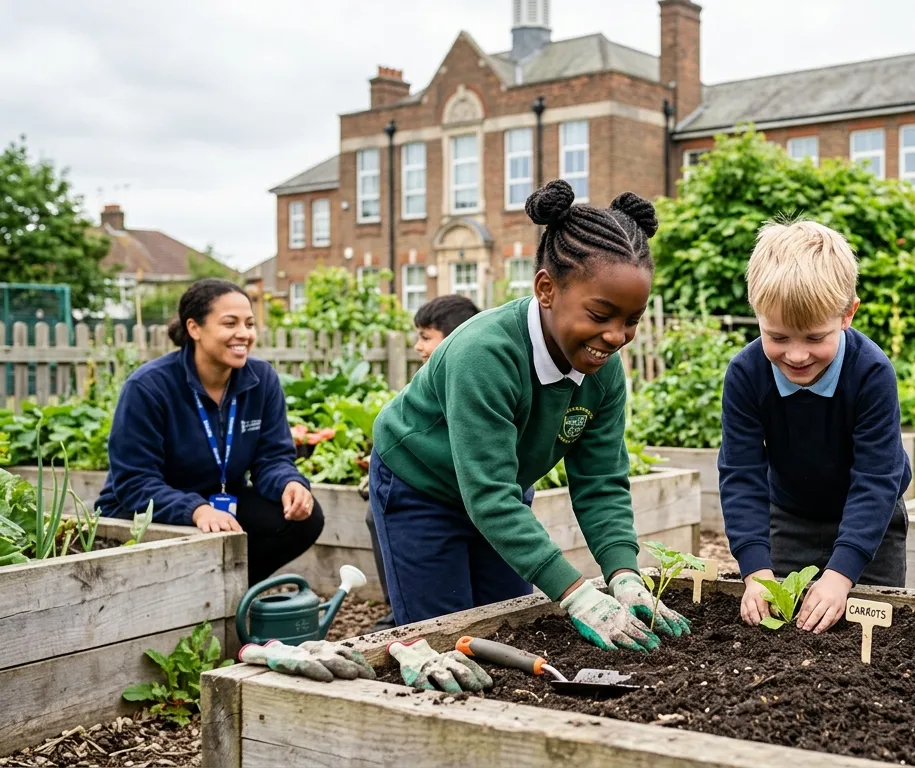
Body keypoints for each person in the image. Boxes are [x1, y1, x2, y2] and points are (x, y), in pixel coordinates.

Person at [366, 179, 689, 651]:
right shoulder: (484, 354)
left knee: (511, 631)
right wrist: (577, 594)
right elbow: (489, 493)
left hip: (501, 496)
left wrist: (623, 575)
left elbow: (601, 480)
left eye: (631, 320)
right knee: (441, 638)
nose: (617, 336)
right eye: (601, 315)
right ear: (545, 289)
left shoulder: (603, 370)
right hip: (421, 487)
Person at [718, 219, 911, 635]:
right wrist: (756, 571)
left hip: (872, 522)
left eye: (814, 337)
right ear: (757, 316)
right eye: (778, 337)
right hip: (790, 516)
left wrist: (842, 575)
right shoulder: (746, 375)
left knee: (875, 636)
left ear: (848, 314)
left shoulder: (871, 373)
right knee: (790, 628)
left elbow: (877, 477)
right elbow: (741, 474)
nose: (797, 354)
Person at [97, 279, 324, 585]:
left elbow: (272, 458)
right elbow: (134, 482)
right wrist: (196, 510)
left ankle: (231, 594)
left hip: (219, 499)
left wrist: (289, 484)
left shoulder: (261, 379)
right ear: (194, 328)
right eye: (230, 323)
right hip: (140, 510)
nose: (243, 333)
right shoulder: (149, 387)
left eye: (249, 323)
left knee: (304, 520)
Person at [364, 293, 484, 633]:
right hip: (424, 496)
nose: (417, 346)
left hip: (473, 499)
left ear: (457, 336)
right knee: (440, 628)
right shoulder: (428, 385)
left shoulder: (477, 376)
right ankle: (401, 611)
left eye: (426, 337)